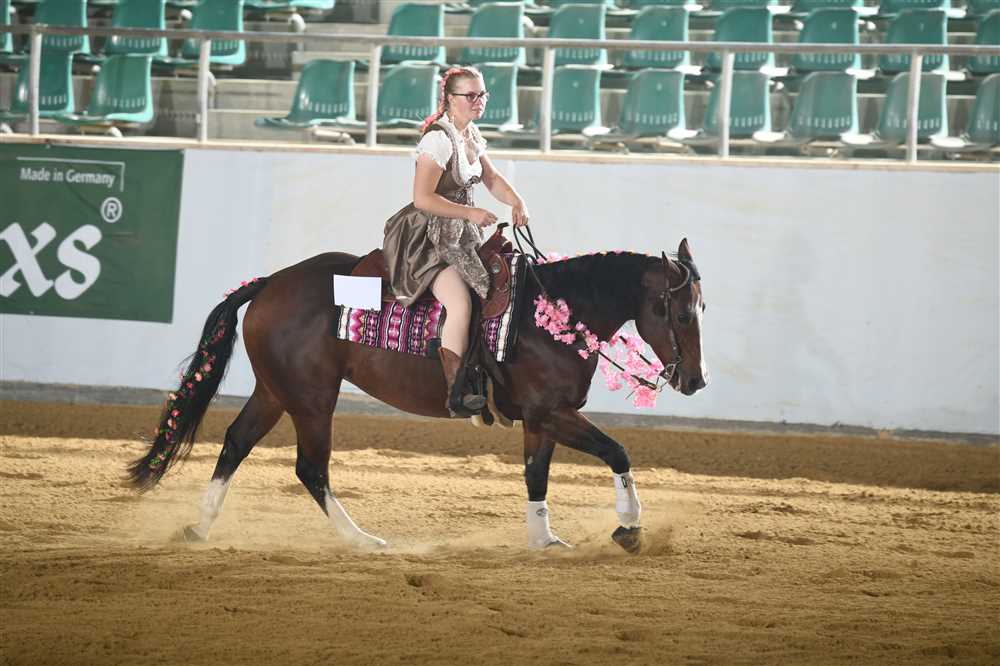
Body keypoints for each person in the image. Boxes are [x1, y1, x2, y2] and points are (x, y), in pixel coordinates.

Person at [383, 66, 530, 417]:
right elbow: (422, 198)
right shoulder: (437, 140)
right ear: (451, 99)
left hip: (461, 233)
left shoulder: (471, 134)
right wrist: (470, 213)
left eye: (483, 95)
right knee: (460, 303)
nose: (479, 101)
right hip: (427, 238)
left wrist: (517, 201)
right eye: (471, 95)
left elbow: (491, 178)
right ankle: (455, 392)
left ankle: (485, 378)